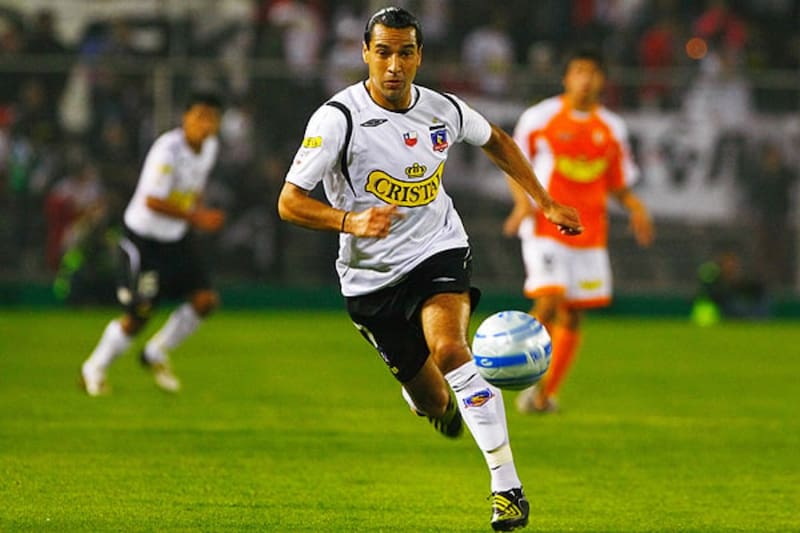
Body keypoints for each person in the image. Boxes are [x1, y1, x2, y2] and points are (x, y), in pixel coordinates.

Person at [277, 7, 582, 532]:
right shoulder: (338, 119)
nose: (394, 64)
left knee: (451, 349)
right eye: (384, 52)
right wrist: (349, 220)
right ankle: (432, 403)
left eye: (405, 52)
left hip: (438, 249)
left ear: (419, 55)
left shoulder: (442, 109)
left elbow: (499, 142)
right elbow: (289, 202)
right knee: (436, 400)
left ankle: (506, 486)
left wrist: (544, 201)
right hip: (370, 281)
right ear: (365, 54)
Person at [504, 47, 654, 414]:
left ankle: (543, 395)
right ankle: (504, 366)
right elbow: (511, 160)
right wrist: (523, 202)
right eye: (578, 70)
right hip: (545, 222)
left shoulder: (612, 128)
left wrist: (635, 207)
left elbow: (617, 183)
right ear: (566, 78)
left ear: (602, 80)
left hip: (589, 231)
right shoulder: (540, 117)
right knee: (550, 299)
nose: (585, 78)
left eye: (592, 71)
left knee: (571, 314)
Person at [80, 92, 225, 396]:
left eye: (211, 117)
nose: (204, 123)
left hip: (176, 237)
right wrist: (198, 217)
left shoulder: (210, 148)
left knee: (205, 300)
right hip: (144, 239)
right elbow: (153, 200)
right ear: (185, 118)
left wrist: (194, 213)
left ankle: (155, 352)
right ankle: (94, 366)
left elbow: (194, 187)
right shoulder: (167, 151)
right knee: (139, 313)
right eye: (199, 115)